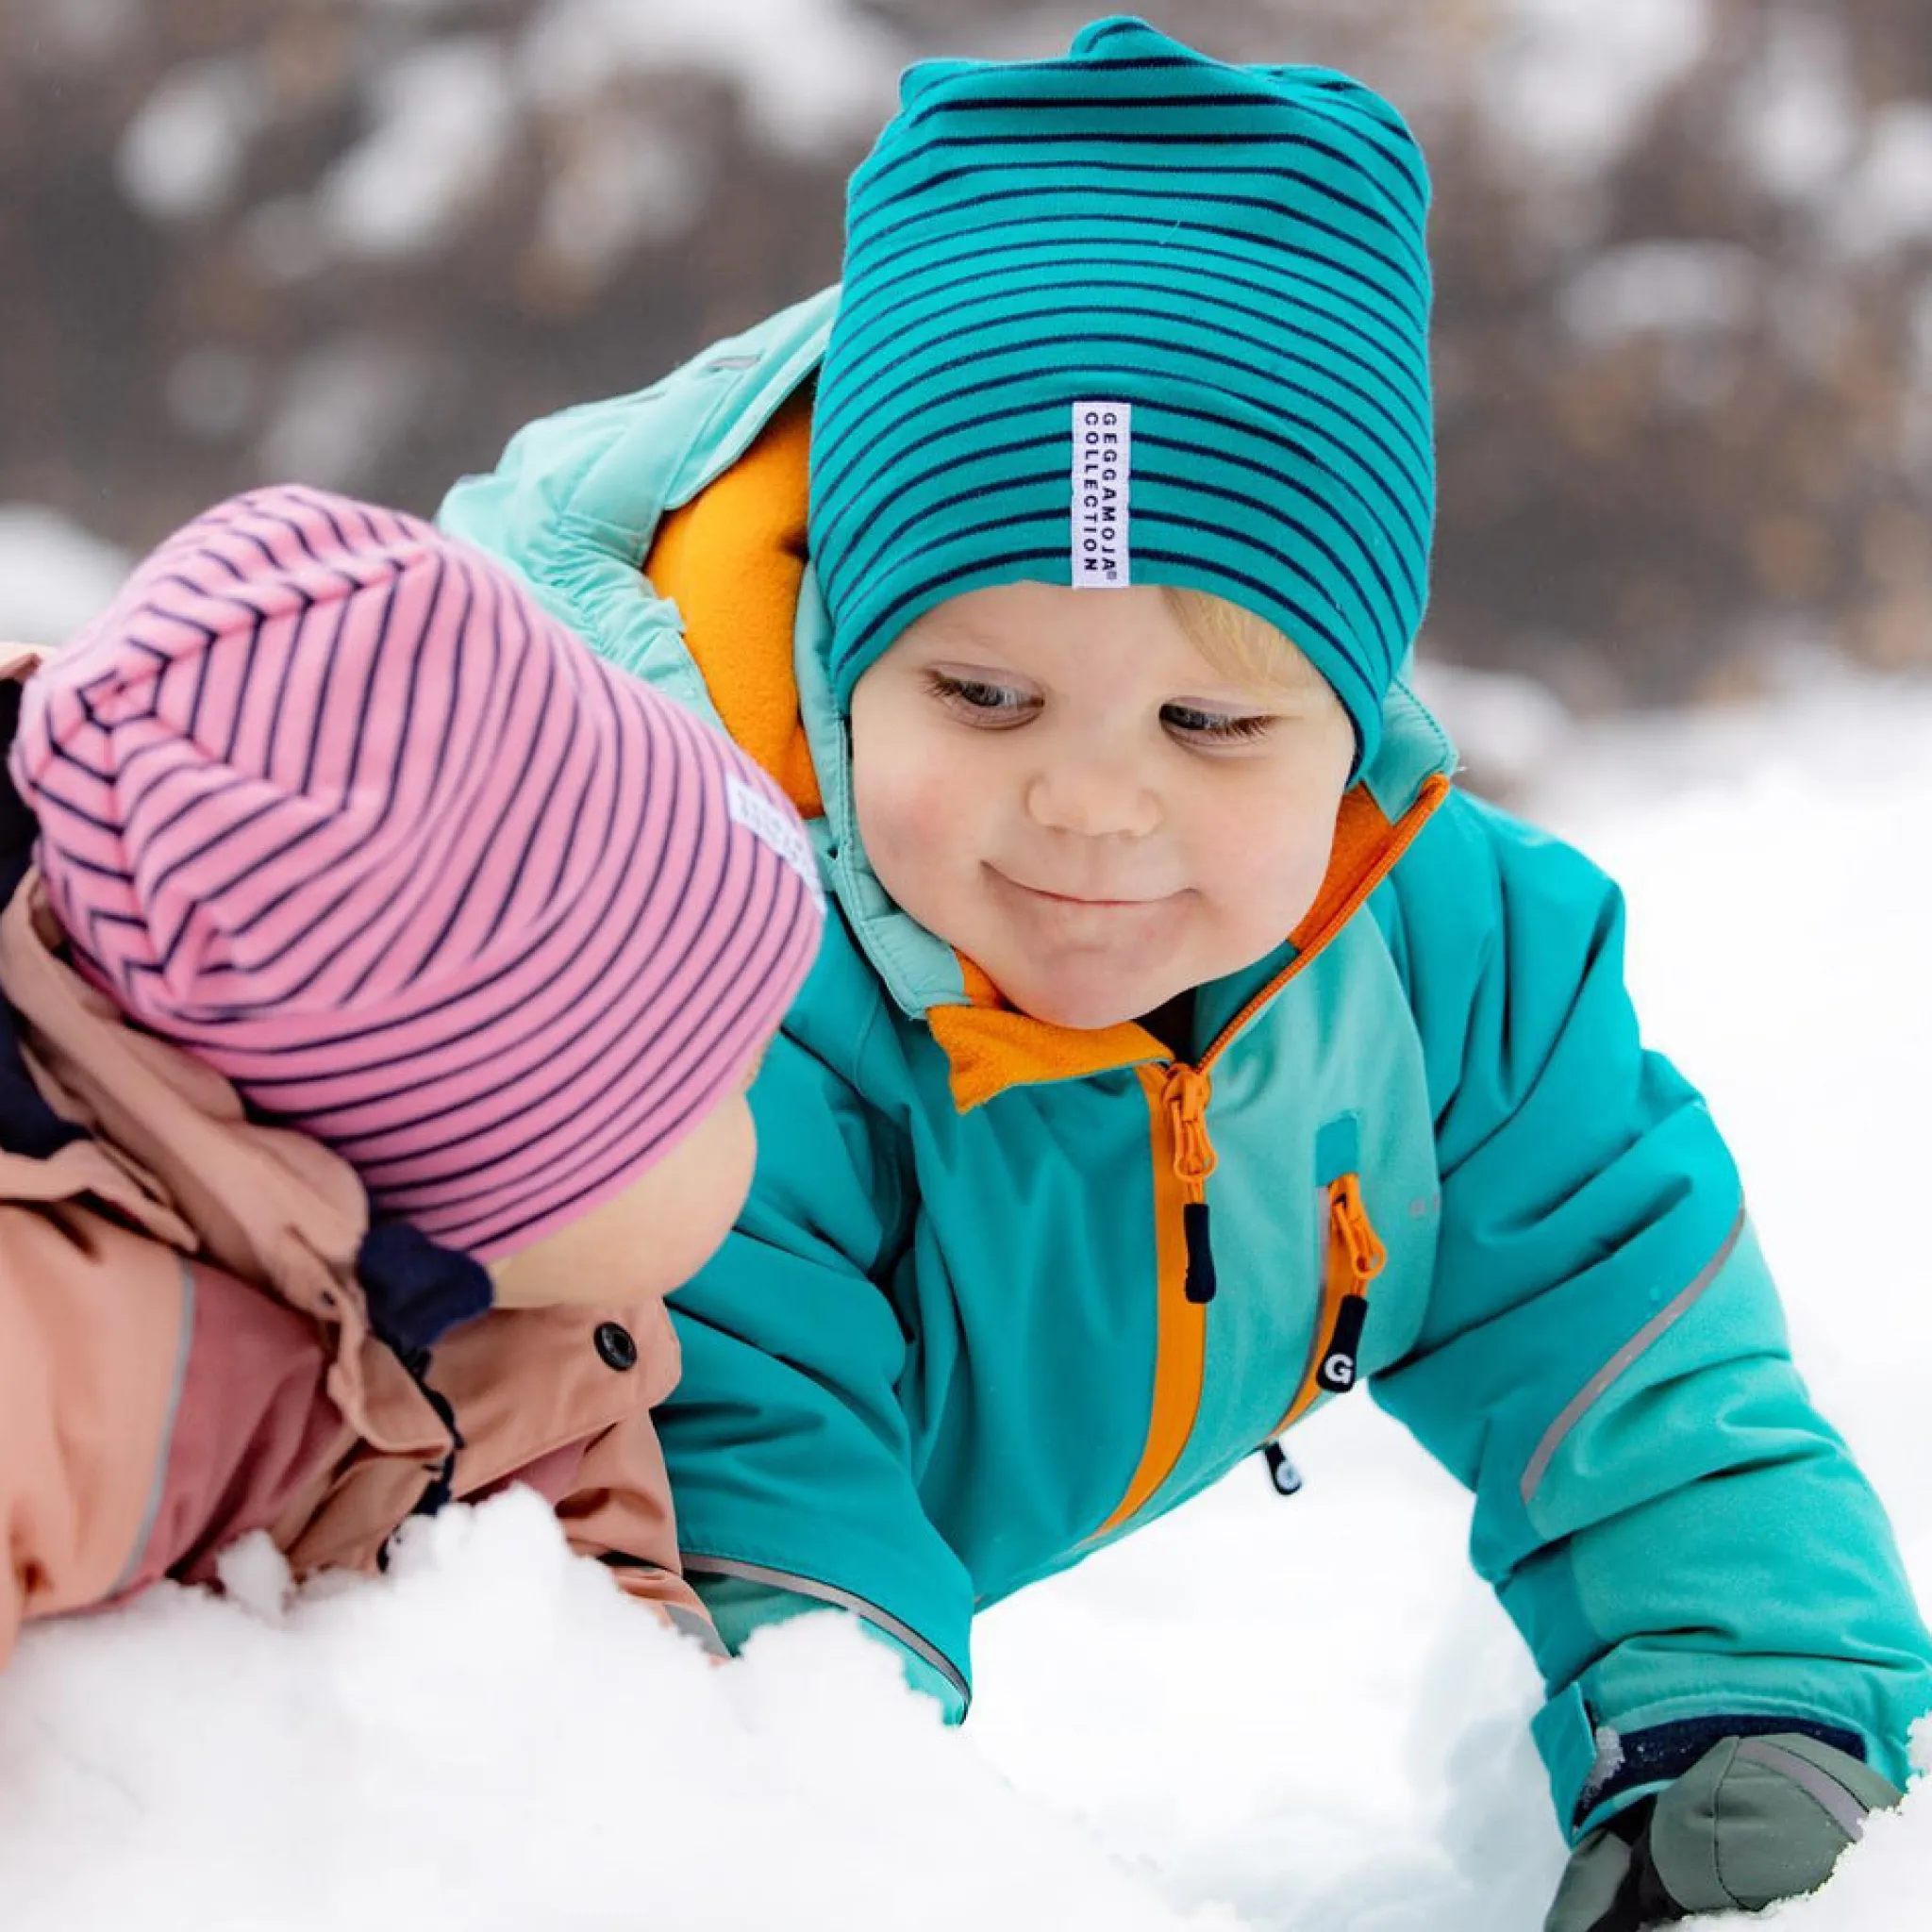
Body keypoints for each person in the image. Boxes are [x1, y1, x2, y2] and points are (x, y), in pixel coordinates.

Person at [440, 18, 1931, 1926]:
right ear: (831, 646)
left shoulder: (1450, 960)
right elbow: (753, 1544)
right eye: (979, 693)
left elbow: (1629, 1346)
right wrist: (843, 1859)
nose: (1085, 805)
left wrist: (1747, 1721)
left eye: (1213, 724)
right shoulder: (690, 965)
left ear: (1355, 710)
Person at [0, 483, 823, 1668]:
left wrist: (656, 1713)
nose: (763, 1109)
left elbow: (596, 1562)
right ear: (497, 1147)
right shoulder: (89, 1348)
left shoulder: (538, 1308)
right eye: (723, 1079)